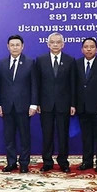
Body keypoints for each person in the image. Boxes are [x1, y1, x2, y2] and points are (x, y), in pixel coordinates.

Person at [0, 34, 38, 173]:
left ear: (22, 46)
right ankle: (11, 162)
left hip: (24, 106)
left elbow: (34, 85)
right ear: (8, 46)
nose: (14, 47)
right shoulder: (1, 63)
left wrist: (33, 104)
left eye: (17, 45)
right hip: (7, 106)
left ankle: (24, 163)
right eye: (12, 45)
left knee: (25, 136)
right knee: (9, 137)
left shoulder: (30, 62)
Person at [35, 32, 76, 172]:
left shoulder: (70, 60)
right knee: (47, 134)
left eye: (58, 42)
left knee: (63, 134)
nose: (55, 45)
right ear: (48, 44)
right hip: (45, 104)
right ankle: (47, 161)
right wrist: (37, 103)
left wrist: (72, 103)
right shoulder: (40, 60)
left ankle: (63, 161)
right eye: (52, 42)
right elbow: (37, 84)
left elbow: (73, 84)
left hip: (63, 104)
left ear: (63, 44)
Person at [74, 38, 97, 172]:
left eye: (91, 47)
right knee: (86, 137)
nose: (89, 49)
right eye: (86, 47)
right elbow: (74, 86)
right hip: (82, 107)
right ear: (82, 49)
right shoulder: (76, 64)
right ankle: (87, 161)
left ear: (96, 49)